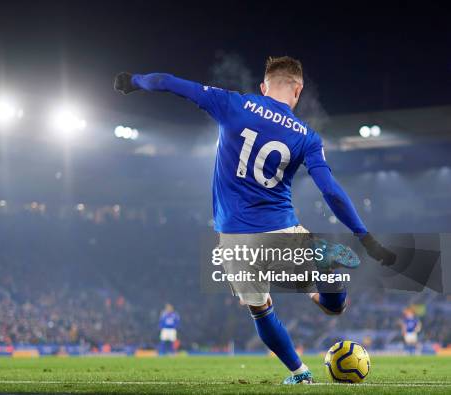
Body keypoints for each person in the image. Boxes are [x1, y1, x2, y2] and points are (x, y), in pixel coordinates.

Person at [114, 57, 396, 384]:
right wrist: (365, 237)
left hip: (233, 238)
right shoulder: (307, 137)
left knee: (261, 309)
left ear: (263, 87)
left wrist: (133, 80)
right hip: (282, 229)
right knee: (334, 304)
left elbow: (166, 81)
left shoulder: (233, 103)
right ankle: (322, 288)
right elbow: (331, 192)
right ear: (298, 89)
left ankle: (300, 373)